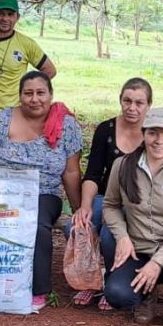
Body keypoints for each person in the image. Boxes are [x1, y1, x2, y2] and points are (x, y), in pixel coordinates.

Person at [0, 71, 81, 311]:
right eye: (28, 93)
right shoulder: (3, 119)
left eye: (40, 93)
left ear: (50, 95)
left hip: (42, 192)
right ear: (20, 96)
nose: (35, 99)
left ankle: (38, 289)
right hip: (0, 190)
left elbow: (71, 172)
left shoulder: (66, 125)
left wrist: (79, 211)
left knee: (36, 225)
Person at [102, 107, 163, 326]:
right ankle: (148, 294)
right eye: (153, 133)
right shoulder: (123, 166)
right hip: (138, 249)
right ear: (143, 133)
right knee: (116, 294)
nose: (159, 141)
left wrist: (157, 262)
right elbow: (110, 205)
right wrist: (123, 237)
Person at [65, 77, 152, 309]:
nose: (132, 108)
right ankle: (89, 281)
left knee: (108, 234)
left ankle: (112, 282)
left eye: (139, 103)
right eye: (127, 101)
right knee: (76, 226)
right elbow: (93, 173)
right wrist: (84, 206)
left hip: (137, 204)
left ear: (148, 106)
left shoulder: (153, 134)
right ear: (120, 101)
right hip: (105, 197)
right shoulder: (106, 130)